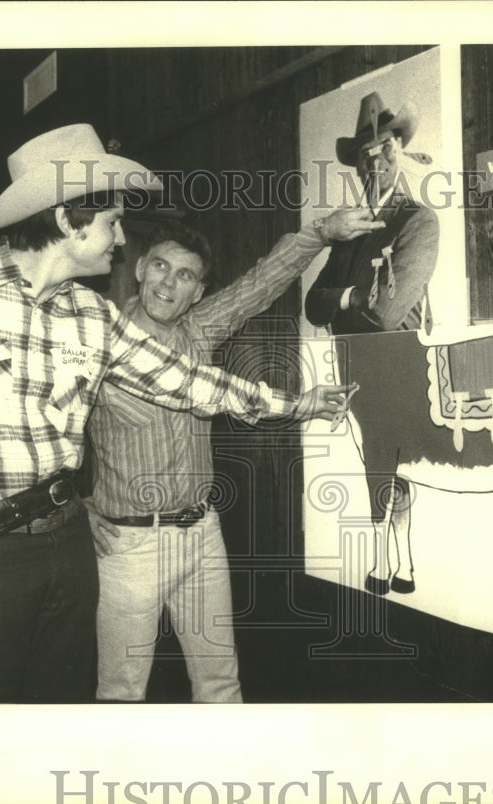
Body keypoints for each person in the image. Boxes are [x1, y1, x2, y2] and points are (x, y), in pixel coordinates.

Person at [0, 123, 355, 702]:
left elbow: (189, 383)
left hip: (69, 544)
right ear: (68, 219)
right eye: (112, 222)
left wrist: (294, 404)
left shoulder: (92, 314)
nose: (119, 242)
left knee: (63, 710)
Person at [86, 208, 381, 703]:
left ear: (197, 291)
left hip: (202, 536)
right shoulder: (96, 341)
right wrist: (80, 508)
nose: (168, 283)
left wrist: (322, 233)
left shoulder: (198, 330)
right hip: (131, 545)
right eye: (159, 266)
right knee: (121, 693)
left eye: (185, 276)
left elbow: (261, 283)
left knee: (221, 683)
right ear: (138, 268)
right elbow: (57, 426)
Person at [304, 92, 440, 334]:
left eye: (385, 148)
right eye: (366, 154)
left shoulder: (418, 220)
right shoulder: (349, 225)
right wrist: (355, 297)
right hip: (347, 364)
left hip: (398, 366)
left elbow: (384, 314)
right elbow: (313, 307)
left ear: (399, 152)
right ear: (356, 167)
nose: (376, 163)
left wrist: (339, 298)